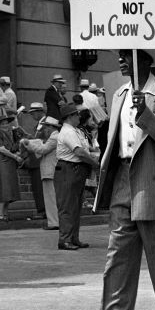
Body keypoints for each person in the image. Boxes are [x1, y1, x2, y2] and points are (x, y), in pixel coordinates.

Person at [84, 48, 155, 310]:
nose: (120, 59)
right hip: (122, 177)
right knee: (118, 251)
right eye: (120, 53)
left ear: (145, 59)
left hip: (154, 178)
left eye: (127, 54)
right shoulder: (117, 94)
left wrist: (145, 114)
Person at [56, 102, 101, 251]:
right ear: (70, 116)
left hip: (75, 170)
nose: (78, 117)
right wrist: (95, 164)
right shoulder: (68, 132)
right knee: (68, 206)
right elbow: (79, 152)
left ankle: (73, 238)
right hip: (69, 169)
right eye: (76, 114)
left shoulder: (75, 131)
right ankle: (65, 239)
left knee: (75, 206)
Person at [22, 115, 61, 231]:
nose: (45, 130)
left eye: (47, 127)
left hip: (50, 170)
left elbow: (43, 150)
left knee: (51, 198)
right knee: (52, 198)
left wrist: (29, 144)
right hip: (51, 169)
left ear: (51, 127)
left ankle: (54, 222)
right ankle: (55, 221)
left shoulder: (54, 137)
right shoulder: (55, 136)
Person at [0, 111, 22, 222]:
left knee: (10, 188)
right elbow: (1, 149)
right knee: (4, 188)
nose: (5, 125)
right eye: (2, 124)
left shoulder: (11, 134)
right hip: (2, 162)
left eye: (6, 123)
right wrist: (15, 157)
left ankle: (5, 213)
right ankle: (0, 213)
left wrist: (16, 154)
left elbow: (14, 146)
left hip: (10, 163)